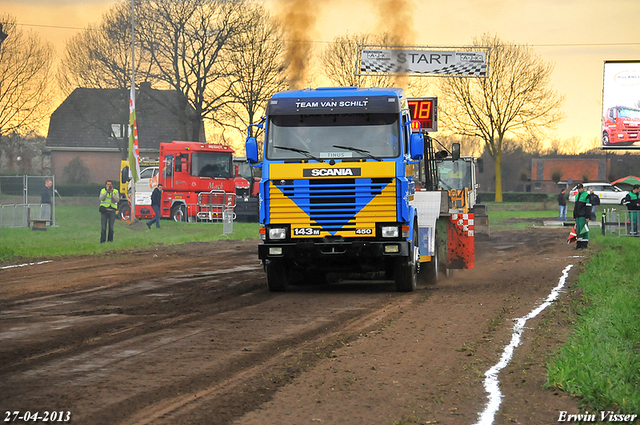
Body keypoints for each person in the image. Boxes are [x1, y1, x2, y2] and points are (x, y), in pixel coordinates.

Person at [573, 183, 591, 249]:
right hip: (578, 216)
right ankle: (579, 244)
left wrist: (588, 216)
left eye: (580, 188)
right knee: (578, 230)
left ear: (583, 188)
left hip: (583, 215)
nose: (579, 190)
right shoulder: (577, 196)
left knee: (584, 230)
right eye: (578, 189)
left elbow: (588, 207)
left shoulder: (587, 196)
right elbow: (575, 207)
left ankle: (584, 244)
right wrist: (574, 216)